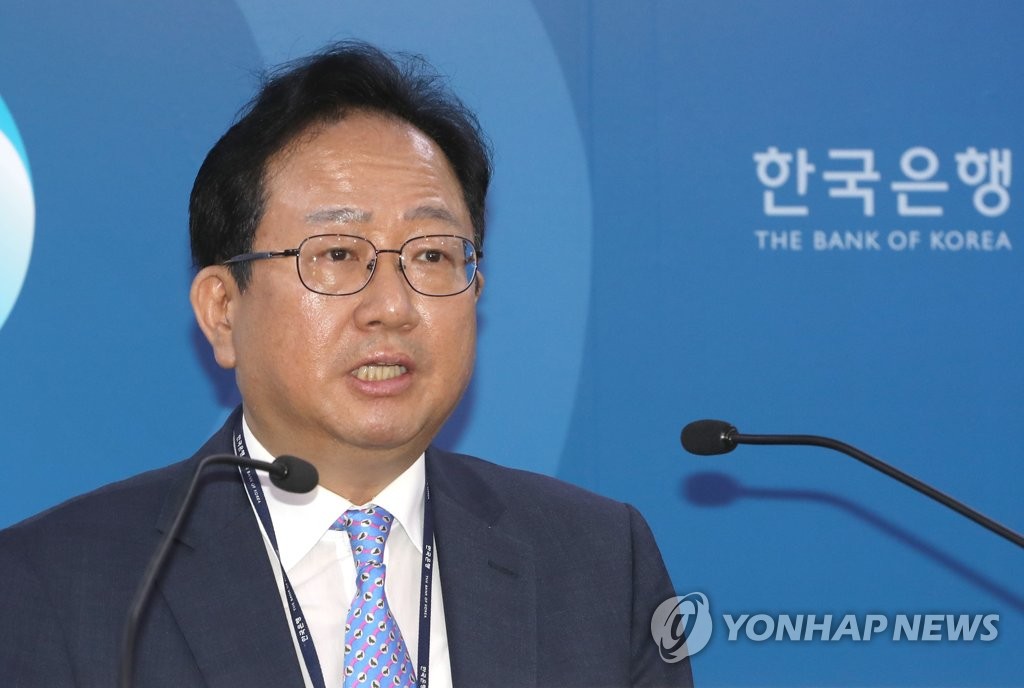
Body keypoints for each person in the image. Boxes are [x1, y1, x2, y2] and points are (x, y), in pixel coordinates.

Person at [0, 42, 693, 687]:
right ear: (222, 310)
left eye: (432, 255)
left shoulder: (601, 565)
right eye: (336, 254)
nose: (392, 307)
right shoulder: (57, 587)